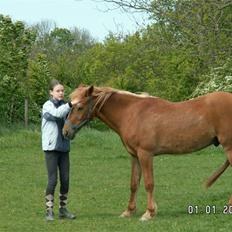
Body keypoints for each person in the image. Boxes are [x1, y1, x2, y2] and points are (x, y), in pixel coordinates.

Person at [41, 79, 78, 221]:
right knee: (52, 180)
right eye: (58, 90)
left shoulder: (65, 106)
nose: (61, 93)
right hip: (51, 148)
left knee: (66, 179)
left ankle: (63, 209)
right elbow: (57, 114)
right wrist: (70, 104)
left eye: (62, 90)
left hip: (64, 147)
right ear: (51, 92)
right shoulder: (47, 105)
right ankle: (49, 211)